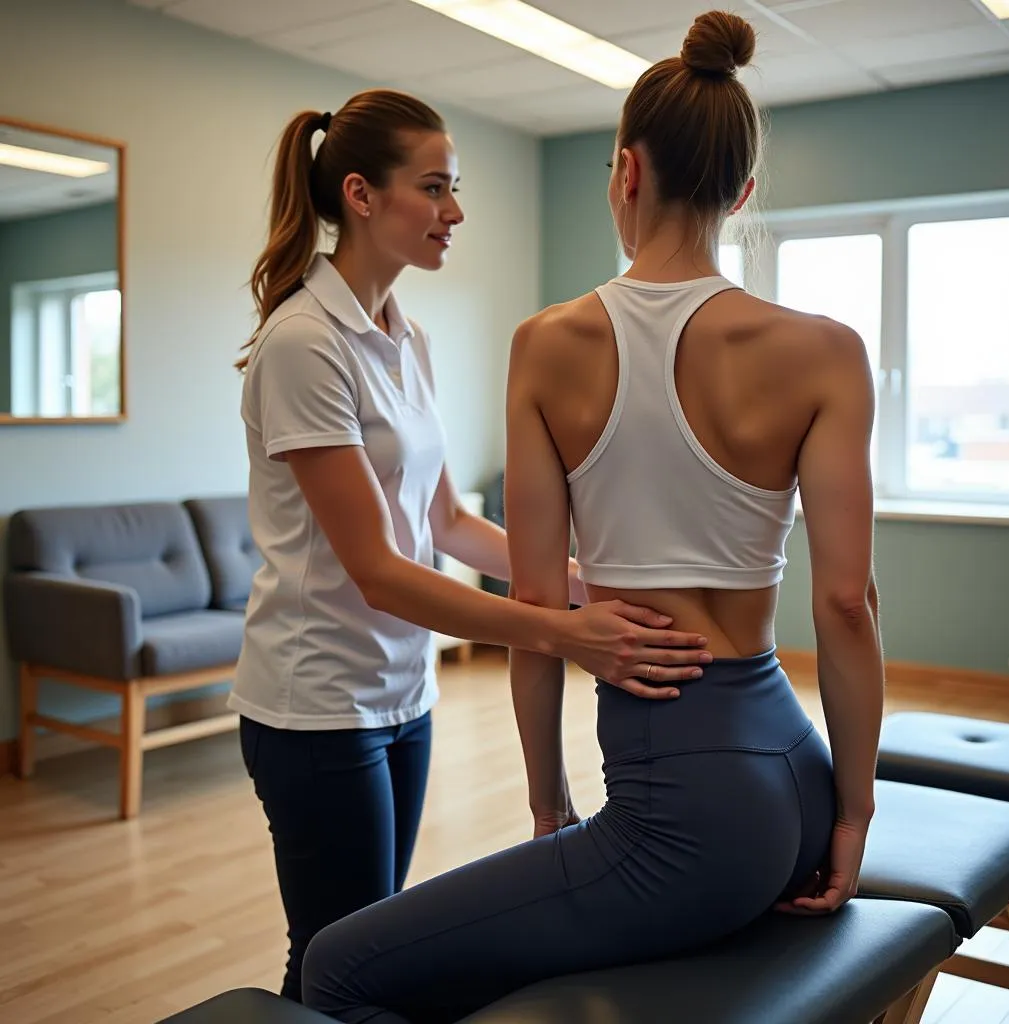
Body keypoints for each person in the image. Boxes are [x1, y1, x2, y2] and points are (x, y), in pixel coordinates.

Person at [299, 10, 885, 1023]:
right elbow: (846, 601)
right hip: (794, 774)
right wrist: (854, 812)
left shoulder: (547, 344)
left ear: (623, 172)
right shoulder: (825, 349)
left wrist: (546, 802)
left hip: (688, 818)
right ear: (741, 193)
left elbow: (534, 603)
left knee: (339, 967)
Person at [230, 89, 714, 1003]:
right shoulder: (303, 344)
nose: (455, 212)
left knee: (367, 939)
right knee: (338, 955)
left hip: (399, 690)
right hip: (315, 703)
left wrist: (573, 583)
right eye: (437, 188)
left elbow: (446, 521)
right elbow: (378, 571)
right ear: (364, 196)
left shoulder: (402, 335)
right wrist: (559, 633)